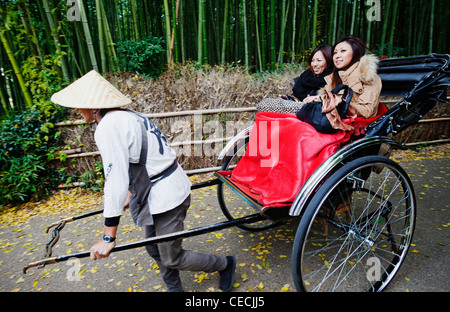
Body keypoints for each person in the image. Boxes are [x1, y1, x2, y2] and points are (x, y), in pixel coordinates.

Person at [50, 70, 236, 292]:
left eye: (77, 105)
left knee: (172, 257)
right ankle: (175, 290)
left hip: (167, 196)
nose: (75, 110)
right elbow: (141, 159)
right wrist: (131, 193)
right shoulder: (127, 116)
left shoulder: (109, 127)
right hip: (157, 189)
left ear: (93, 105)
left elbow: (114, 181)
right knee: (154, 249)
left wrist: (108, 237)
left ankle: (224, 264)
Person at [306, 35, 382, 120]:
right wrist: (316, 99)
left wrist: (341, 104)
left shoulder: (368, 76)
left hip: (356, 126)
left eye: (343, 51)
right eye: (335, 53)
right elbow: (328, 100)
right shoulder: (333, 77)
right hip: (331, 120)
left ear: (355, 52)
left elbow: (367, 111)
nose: (337, 56)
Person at [256, 44, 332, 114]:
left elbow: (335, 97)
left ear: (328, 61)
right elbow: (297, 94)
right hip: (299, 106)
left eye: (319, 60)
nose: (314, 64)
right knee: (265, 106)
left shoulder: (332, 79)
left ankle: (265, 128)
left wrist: (317, 98)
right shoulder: (307, 75)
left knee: (265, 106)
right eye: (312, 60)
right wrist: (289, 98)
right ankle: (266, 128)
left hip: (312, 110)